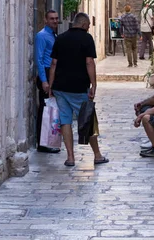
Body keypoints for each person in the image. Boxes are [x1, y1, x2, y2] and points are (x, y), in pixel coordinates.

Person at [48, 12, 108, 167]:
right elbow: (89, 62)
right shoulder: (87, 38)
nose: (88, 29)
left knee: (65, 121)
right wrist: (94, 84)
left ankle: (70, 157)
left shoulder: (60, 38)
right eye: (87, 26)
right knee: (88, 120)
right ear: (83, 24)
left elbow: (54, 63)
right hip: (79, 88)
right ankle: (97, 155)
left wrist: (50, 85)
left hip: (60, 87)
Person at [35, 10, 60, 153]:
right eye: (52, 19)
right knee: (44, 110)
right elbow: (38, 59)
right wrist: (44, 81)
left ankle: (49, 141)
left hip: (52, 74)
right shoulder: (42, 36)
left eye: (56, 19)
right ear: (46, 20)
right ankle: (42, 144)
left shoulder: (53, 35)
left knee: (50, 110)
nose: (55, 21)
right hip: (45, 73)